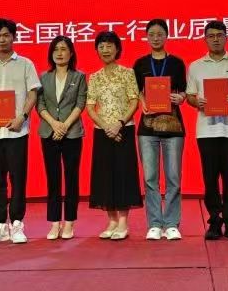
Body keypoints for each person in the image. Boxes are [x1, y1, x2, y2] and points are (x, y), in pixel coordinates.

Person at [186, 20, 228, 241]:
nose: (215, 39)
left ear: (226, 38)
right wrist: (197, 102)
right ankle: (214, 221)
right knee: (210, 178)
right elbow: (190, 96)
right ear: (205, 39)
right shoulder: (196, 66)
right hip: (206, 131)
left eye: (219, 35)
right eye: (211, 36)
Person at [0, 19, 41, 245]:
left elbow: (33, 94)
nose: (2, 40)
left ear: (14, 36)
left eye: (6, 35)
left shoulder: (25, 64)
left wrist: (22, 116)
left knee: (17, 177)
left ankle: (17, 223)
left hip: (17, 131)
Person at [132, 19, 188, 241]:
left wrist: (181, 97)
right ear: (147, 37)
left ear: (166, 36)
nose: (155, 38)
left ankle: (172, 223)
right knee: (150, 177)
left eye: (160, 34)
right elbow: (136, 91)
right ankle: (155, 223)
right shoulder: (140, 64)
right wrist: (142, 101)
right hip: (147, 128)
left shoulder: (176, 63)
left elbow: (184, 91)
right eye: (151, 34)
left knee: (173, 177)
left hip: (173, 125)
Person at [86, 31, 142, 239]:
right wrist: (106, 127)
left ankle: (123, 222)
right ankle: (111, 220)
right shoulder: (95, 77)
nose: (105, 50)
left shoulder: (127, 73)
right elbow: (90, 107)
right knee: (105, 174)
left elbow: (134, 101)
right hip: (102, 131)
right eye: (101, 46)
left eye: (109, 45)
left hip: (124, 129)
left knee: (123, 173)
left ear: (117, 49)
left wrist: (119, 124)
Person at [36, 36, 87, 240]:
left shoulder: (79, 76)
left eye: (64, 49)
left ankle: (70, 222)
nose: (59, 53)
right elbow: (40, 104)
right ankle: (54, 222)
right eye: (56, 49)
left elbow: (80, 103)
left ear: (71, 53)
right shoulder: (43, 77)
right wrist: (54, 124)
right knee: (53, 178)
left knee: (71, 178)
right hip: (49, 132)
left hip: (72, 133)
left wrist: (64, 125)